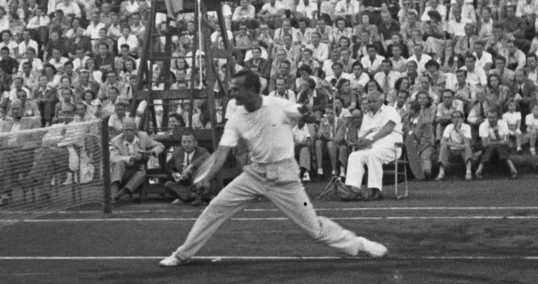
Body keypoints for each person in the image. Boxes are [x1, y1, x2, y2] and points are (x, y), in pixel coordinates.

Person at [160, 71, 386, 265]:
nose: (232, 93)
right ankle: (182, 255)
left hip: (287, 179)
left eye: (236, 89)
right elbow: (222, 151)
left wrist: (310, 111)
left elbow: (308, 115)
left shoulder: (279, 105)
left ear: (251, 89)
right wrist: (206, 176)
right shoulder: (236, 118)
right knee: (215, 208)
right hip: (253, 175)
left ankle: (357, 245)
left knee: (314, 227)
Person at [343, 91, 402, 200]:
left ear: (381, 100)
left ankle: (376, 190)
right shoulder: (366, 116)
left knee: (373, 154)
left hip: (390, 142)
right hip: (371, 144)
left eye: (374, 101)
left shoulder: (390, 110)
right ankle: (355, 190)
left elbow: (387, 129)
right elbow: (363, 134)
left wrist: (371, 139)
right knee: (354, 156)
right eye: (368, 101)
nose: (370, 104)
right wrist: (361, 141)